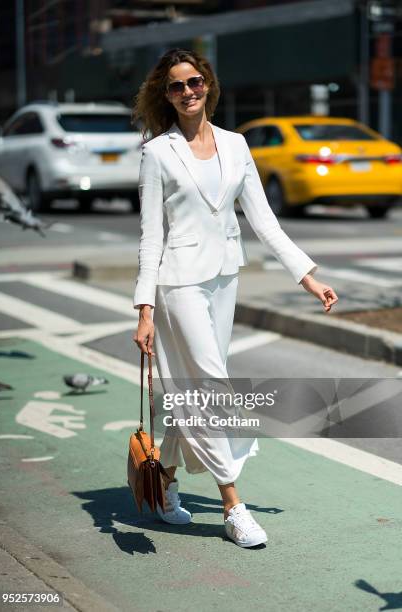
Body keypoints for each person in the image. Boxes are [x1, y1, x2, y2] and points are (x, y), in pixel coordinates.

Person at [132, 48, 338, 548]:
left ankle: (166, 479)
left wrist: (305, 274)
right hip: (177, 283)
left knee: (197, 393)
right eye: (177, 86)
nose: (188, 92)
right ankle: (232, 504)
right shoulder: (158, 153)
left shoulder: (236, 144)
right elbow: (150, 235)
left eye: (195, 82)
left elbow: (263, 220)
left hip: (224, 279)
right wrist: (144, 308)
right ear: (167, 94)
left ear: (209, 86)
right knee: (214, 386)